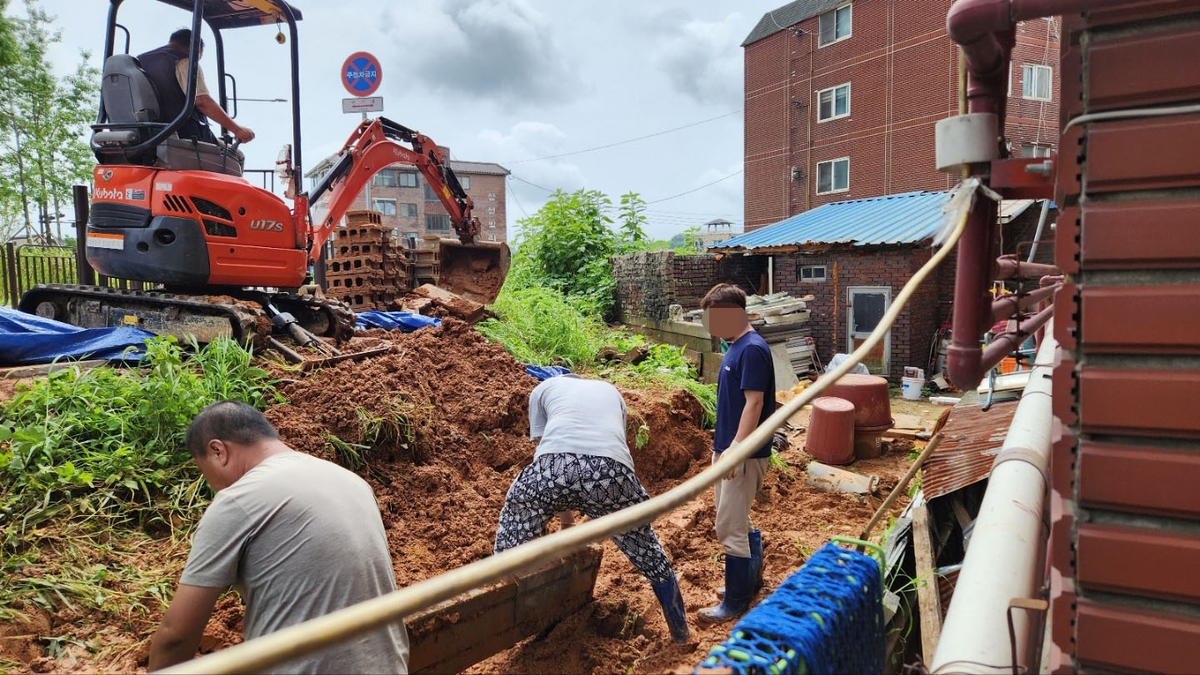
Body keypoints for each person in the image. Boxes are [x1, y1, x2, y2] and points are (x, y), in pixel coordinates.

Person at [148, 401, 408, 673]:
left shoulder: (238, 500)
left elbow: (175, 636)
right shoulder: (352, 481)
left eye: (205, 473)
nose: (214, 487)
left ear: (217, 451)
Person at [493, 374, 690, 644]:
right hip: (612, 474)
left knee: (517, 513)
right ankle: (680, 632)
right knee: (646, 550)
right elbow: (611, 447)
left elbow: (547, 454)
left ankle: (500, 599)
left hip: (554, 469)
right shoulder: (611, 391)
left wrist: (566, 522)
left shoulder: (541, 390)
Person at [697, 283, 776, 624]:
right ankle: (748, 582)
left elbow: (755, 403)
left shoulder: (752, 349)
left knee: (729, 527)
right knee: (738, 521)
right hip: (730, 449)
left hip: (741, 453)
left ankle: (735, 602)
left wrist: (736, 451)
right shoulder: (736, 347)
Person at [138, 29, 255, 145]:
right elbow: (202, 102)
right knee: (236, 156)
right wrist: (237, 130)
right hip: (183, 135)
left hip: (144, 136)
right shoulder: (184, 62)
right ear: (196, 49)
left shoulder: (138, 62)